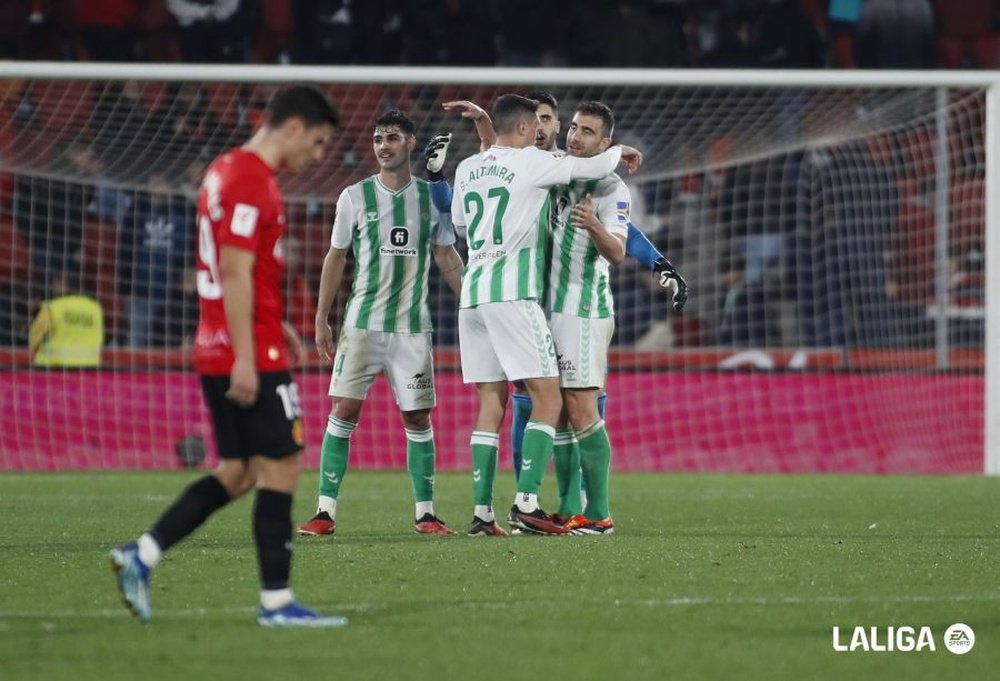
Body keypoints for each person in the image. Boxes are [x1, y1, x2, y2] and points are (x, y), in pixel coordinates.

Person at [109, 85, 345, 628]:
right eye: (317, 141)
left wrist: (271, 319)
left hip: (228, 340)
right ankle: (277, 603)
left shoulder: (223, 170)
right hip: (244, 352)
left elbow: (235, 271)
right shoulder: (250, 181)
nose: (317, 155)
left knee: (238, 471)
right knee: (283, 465)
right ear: (291, 128)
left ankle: (141, 555)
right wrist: (247, 352)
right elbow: (234, 271)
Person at [428, 93, 687, 527]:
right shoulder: (546, 169)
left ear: (603, 141)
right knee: (541, 403)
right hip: (536, 303)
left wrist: (659, 263)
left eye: (584, 130)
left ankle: (596, 512)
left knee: (579, 405)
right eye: (571, 128)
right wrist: (484, 130)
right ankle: (564, 507)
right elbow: (500, 166)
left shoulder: (606, 184)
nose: (569, 135)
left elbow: (623, 244)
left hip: (581, 307)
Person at [296, 110, 464, 538]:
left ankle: (426, 514)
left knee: (417, 418)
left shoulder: (431, 198)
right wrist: (321, 318)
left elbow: (446, 256)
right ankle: (324, 511)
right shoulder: (354, 197)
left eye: (391, 137)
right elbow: (336, 256)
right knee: (344, 409)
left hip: (412, 330)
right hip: (361, 325)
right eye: (377, 139)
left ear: (410, 143)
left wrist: (474, 304)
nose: (383, 145)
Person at [28, 266, 104, 368]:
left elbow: (35, 338)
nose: (54, 286)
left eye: (56, 282)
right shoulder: (95, 308)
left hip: (54, 368)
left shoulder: (52, 307)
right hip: (89, 367)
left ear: (62, 283)